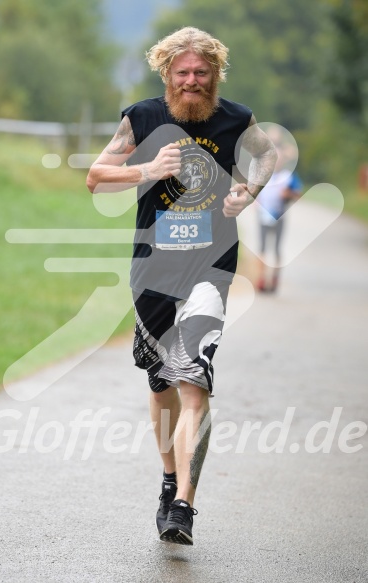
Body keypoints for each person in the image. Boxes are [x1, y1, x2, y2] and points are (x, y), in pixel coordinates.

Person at [87, 26, 277, 545]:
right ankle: (169, 477)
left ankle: (185, 507)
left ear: (215, 74)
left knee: (194, 377)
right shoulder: (143, 117)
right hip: (152, 267)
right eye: (182, 72)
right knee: (162, 382)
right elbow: (96, 175)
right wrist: (147, 167)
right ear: (167, 74)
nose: (192, 81)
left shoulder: (237, 118)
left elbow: (265, 156)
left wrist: (248, 192)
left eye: (201, 72)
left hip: (211, 268)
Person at [255, 140, 302, 292]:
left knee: (276, 249)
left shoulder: (288, 177)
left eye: (279, 159)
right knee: (262, 248)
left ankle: (274, 279)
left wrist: (289, 194)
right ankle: (262, 279)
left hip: (280, 215)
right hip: (263, 215)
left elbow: (298, 195)